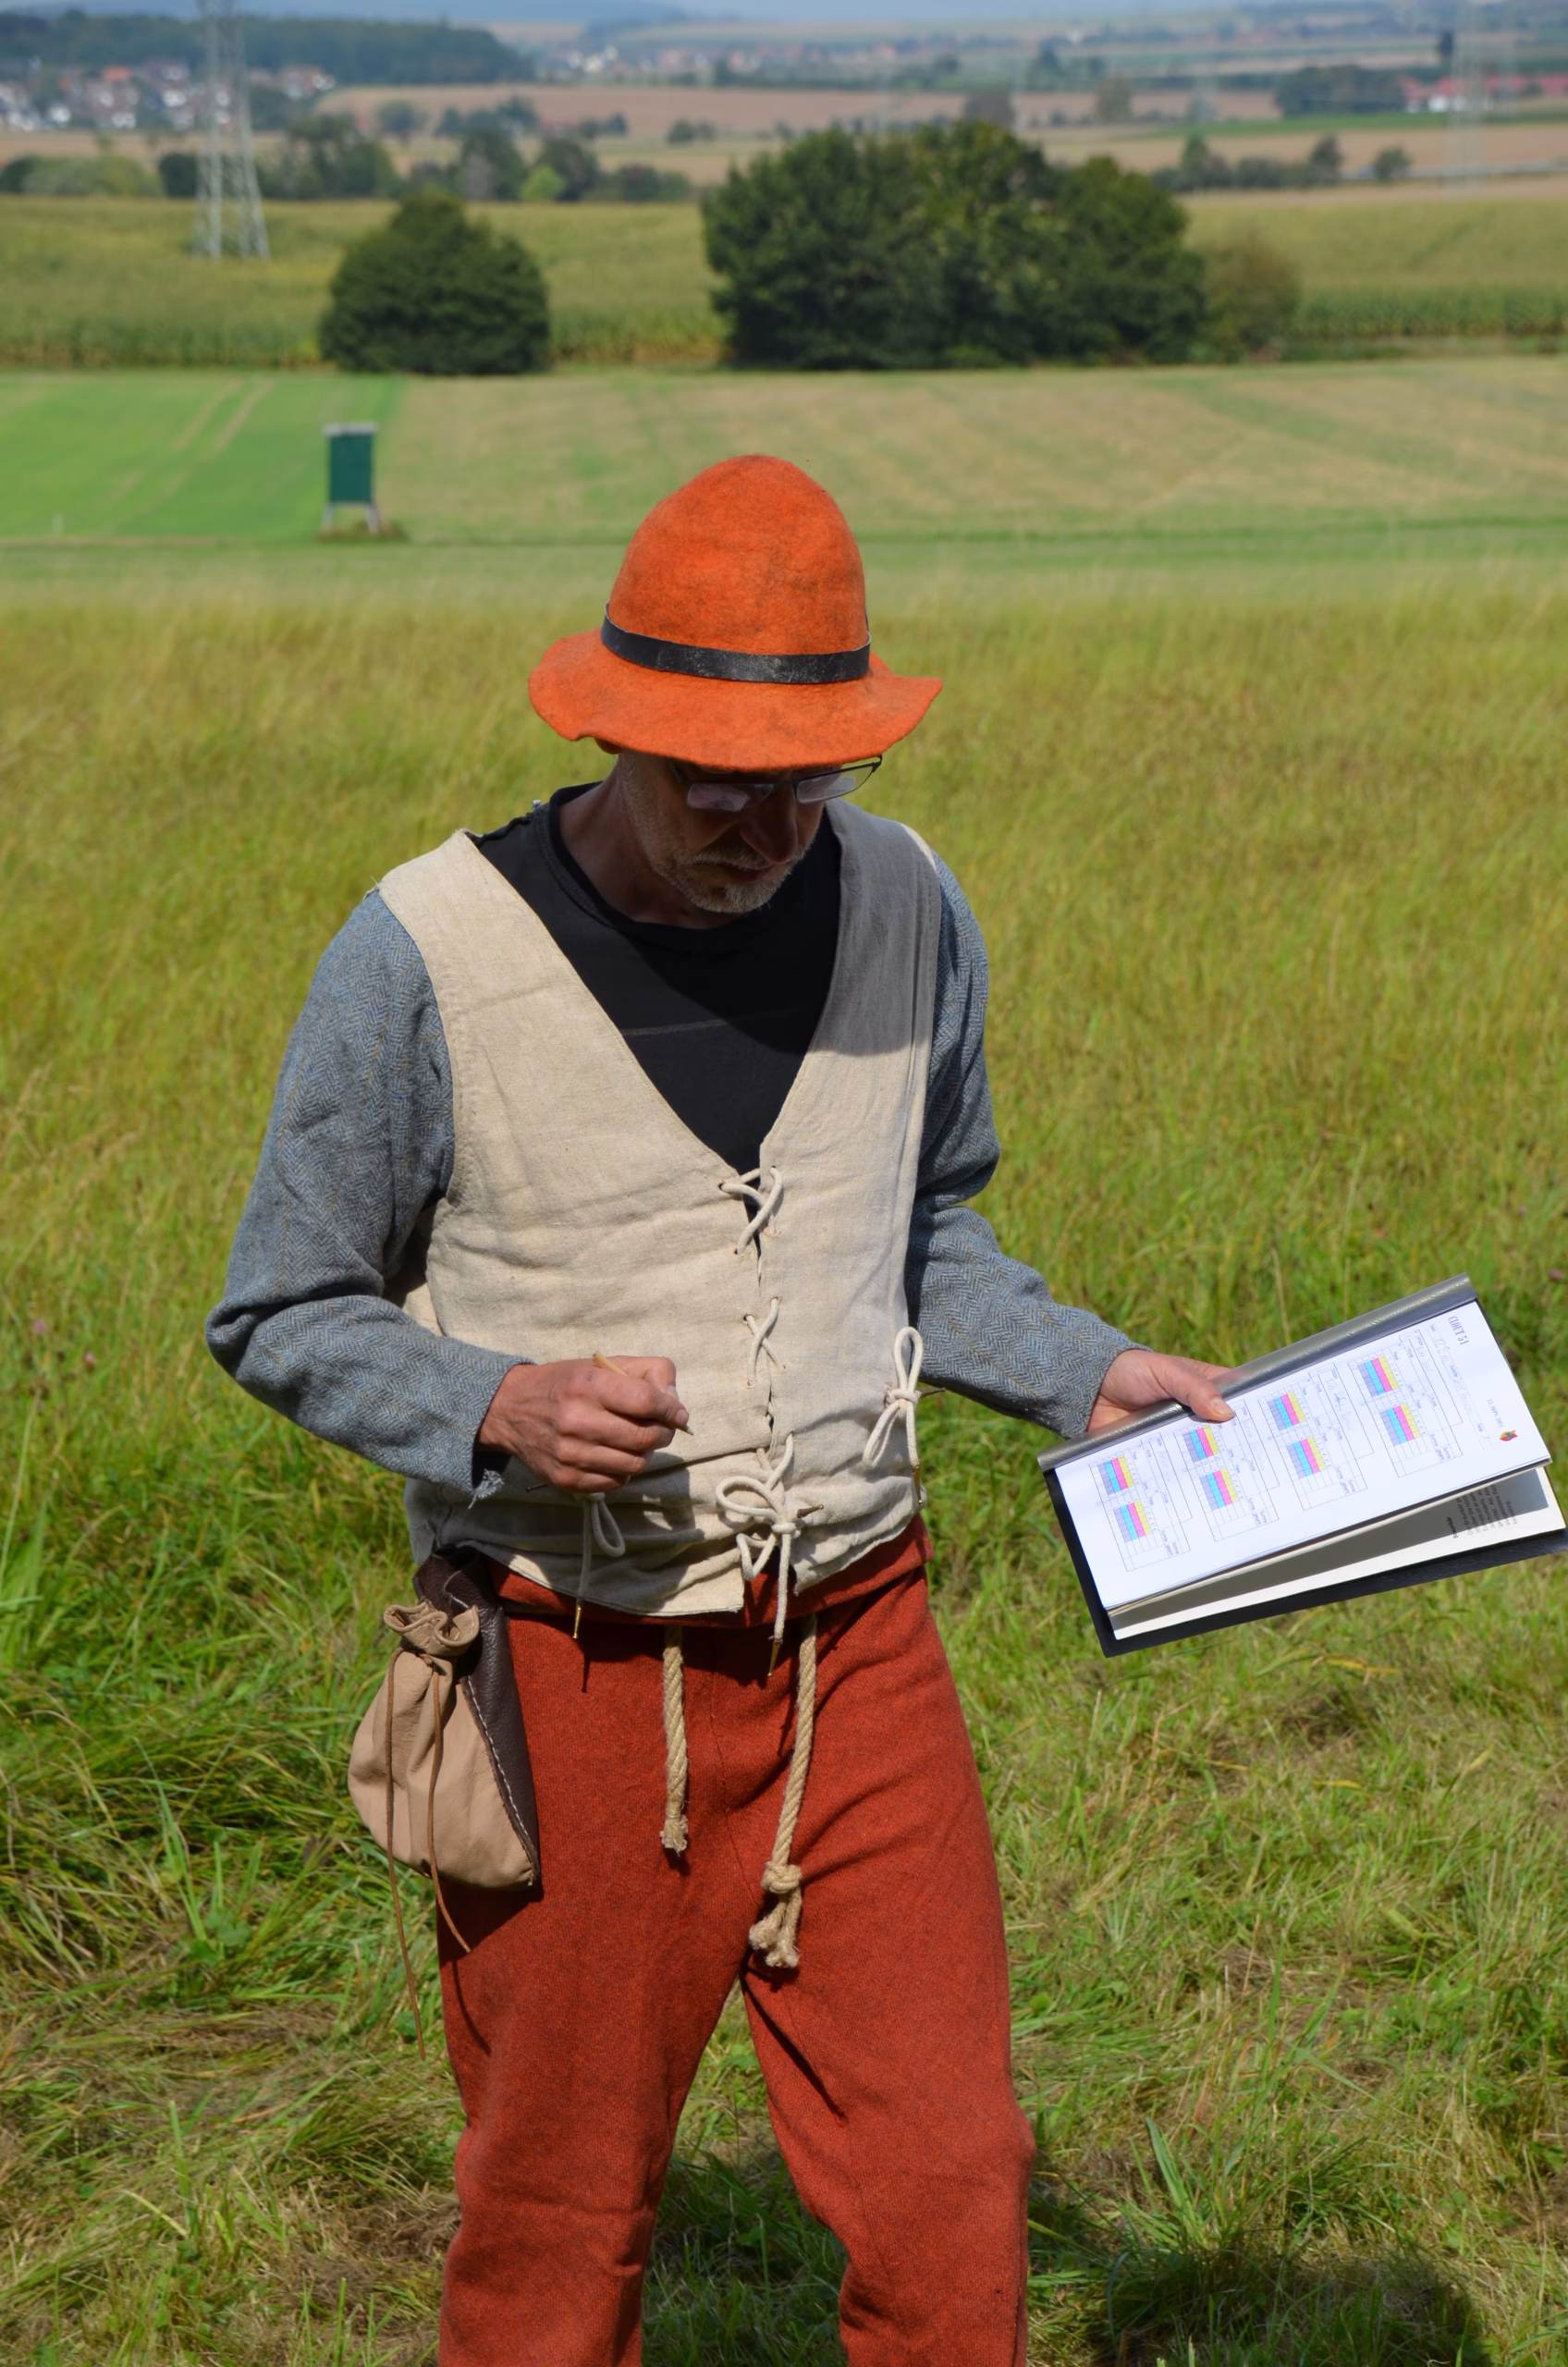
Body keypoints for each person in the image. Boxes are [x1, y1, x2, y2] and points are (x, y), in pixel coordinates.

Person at [208, 456, 1231, 2367]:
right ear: (611, 727)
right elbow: (275, 1302)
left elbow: (913, 1230)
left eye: (801, 776)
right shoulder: (425, 952)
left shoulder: (912, 903)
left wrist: (1083, 1363)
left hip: (861, 1645)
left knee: (951, 2167)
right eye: (710, 779)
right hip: (573, 1668)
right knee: (562, 2198)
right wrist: (488, 1396)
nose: (761, 821)